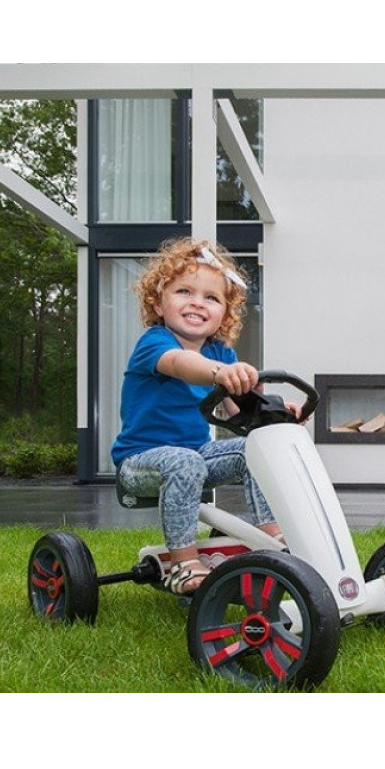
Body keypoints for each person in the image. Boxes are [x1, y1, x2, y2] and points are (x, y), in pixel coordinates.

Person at [111, 237, 287, 595]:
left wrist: (278, 413)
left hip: (197, 457)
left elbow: (243, 413)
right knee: (184, 461)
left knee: (255, 448)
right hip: (141, 462)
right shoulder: (155, 342)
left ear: (225, 312)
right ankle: (184, 563)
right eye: (184, 292)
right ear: (158, 302)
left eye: (211, 298)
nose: (196, 302)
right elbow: (182, 365)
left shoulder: (221, 352)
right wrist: (220, 373)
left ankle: (274, 540)